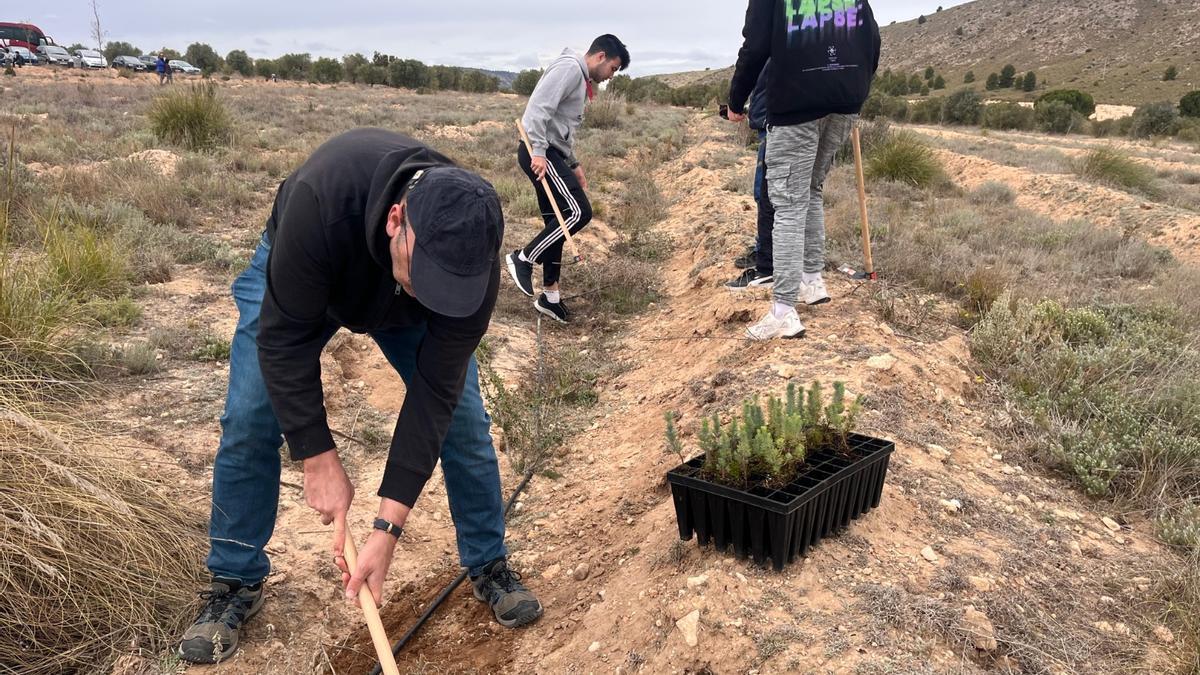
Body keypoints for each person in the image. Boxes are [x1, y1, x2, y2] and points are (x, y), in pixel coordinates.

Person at [177, 128, 542, 664]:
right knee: (253, 414)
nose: (436, 296)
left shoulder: (472, 259)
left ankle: (487, 562)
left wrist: (386, 529)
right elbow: (282, 345)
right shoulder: (321, 203)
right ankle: (234, 581)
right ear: (397, 220)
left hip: (396, 299)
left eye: (450, 289)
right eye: (428, 278)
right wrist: (318, 456)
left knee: (463, 421)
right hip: (309, 272)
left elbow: (435, 394)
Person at [725, 0, 881, 340]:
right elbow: (873, 39)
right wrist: (855, 87)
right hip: (846, 102)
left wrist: (736, 101)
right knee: (812, 188)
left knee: (789, 203)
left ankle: (783, 309)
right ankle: (812, 280)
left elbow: (754, 46)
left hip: (796, 105)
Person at [504, 34, 630, 323]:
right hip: (540, 152)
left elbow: (561, 126)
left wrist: (573, 164)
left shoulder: (578, 76)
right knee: (578, 213)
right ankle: (522, 259)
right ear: (600, 57)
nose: (610, 76)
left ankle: (550, 297)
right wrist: (538, 152)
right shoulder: (570, 69)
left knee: (556, 222)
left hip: (550, 152)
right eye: (612, 68)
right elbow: (538, 110)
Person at [726, 63, 774, 289]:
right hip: (775, 124)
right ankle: (770, 254)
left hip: (774, 128)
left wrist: (736, 104)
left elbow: (750, 63)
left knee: (765, 195)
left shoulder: (772, 45)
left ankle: (766, 263)